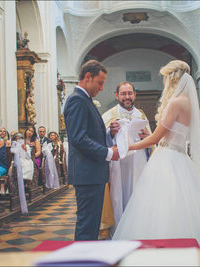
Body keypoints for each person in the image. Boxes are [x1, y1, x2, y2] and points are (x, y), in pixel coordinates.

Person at [112, 60, 200, 248]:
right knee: (184, 205)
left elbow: (155, 138)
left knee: (161, 205)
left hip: (167, 158)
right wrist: (152, 136)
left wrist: (127, 148)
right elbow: (168, 135)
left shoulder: (175, 102)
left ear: (172, 78)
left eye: (166, 78)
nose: (164, 82)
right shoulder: (189, 102)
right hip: (180, 156)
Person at [64, 59, 119, 241]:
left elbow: (90, 134)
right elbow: (79, 138)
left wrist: (108, 132)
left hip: (92, 172)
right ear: (88, 77)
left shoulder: (85, 100)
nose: (102, 88)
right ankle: (83, 259)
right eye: (100, 83)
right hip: (87, 173)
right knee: (87, 226)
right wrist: (109, 153)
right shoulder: (77, 100)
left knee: (92, 223)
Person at [101, 81, 152, 232]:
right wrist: (110, 133)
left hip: (139, 162)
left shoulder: (141, 114)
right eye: (123, 94)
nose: (127, 97)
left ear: (135, 95)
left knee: (138, 194)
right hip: (118, 164)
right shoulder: (109, 115)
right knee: (118, 196)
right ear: (117, 96)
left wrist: (147, 136)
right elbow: (100, 141)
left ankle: (138, 230)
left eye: (130, 93)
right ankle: (119, 231)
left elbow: (151, 142)